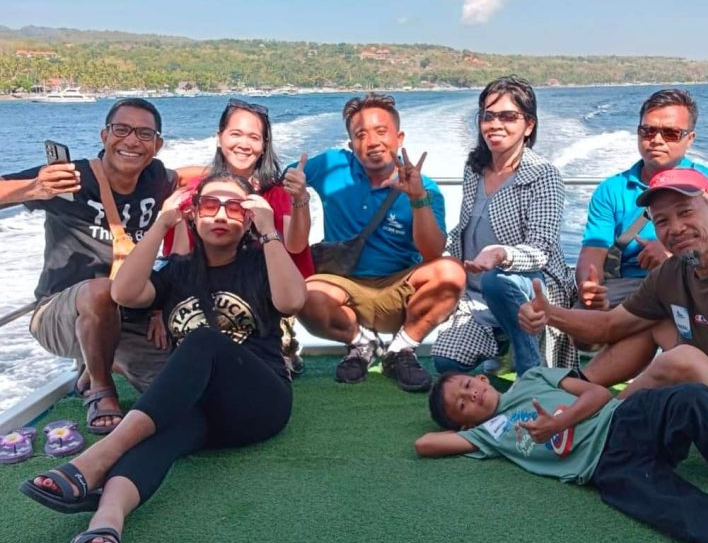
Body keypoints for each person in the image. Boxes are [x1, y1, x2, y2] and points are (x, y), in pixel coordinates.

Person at [19, 173, 306, 543]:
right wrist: (161, 223)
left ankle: (98, 457)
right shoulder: (176, 272)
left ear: (248, 218)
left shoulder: (262, 263)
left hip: (260, 404)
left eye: (235, 208)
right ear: (193, 214)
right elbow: (123, 294)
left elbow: (292, 301)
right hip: (202, 411)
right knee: (157, 437)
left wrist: (269, 230)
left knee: (203, 342)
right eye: (210, 205)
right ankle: (104, 527)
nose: (221, 215)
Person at [415, 368, 708, 543]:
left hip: (624, 418)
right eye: (462, 404)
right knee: (686, 513)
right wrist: (464, 430)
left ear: (480, 377)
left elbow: (597, 393)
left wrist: (560, 423)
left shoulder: (533, 377)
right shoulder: (485, 435)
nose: (472, 395)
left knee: (694, 398)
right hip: (609, 469)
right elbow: (424, 444)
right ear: (464, 424)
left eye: (467, 385)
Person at [519, 168, 708, 457]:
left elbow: (691, 369)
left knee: (682, 363)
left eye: (685, 212)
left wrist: (698, 374)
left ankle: (601, 426)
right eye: (662, 221)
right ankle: (574, 394)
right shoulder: (671, 274)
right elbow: (610, 325)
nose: (675, 228)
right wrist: (550, 314)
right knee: (652, 323)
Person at [0, 98, 177, 433]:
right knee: (101, 291)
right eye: (121, 129)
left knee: (176, 393)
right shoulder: (69, 179)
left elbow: (191, 176)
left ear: (157, 145)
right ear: (104, 136)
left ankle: (102, 361)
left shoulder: (157, 178)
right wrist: (33, 188)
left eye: (144, 134)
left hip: (127, 316)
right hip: (60, 314)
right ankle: (100, 389)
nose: (131, 141)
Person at [297, 93, 465, 391]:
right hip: (343, 286)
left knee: (451, 271)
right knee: (303, 294)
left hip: (398, 290)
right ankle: (361, 344)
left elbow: (432, 253)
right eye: (361, 135)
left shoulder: (425, 187)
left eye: (381, 132)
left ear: (399, 138)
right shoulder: (331, 165)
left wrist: (417, 199)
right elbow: (280, 178)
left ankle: (401, 349)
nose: (372, 142)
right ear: (351, 145)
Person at [431, 76, 576, 377]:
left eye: (508, 116)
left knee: (497, 281)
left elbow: (541, 250)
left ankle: (530, 374)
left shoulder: (543, 175)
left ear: (529, 125)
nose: (495, 125)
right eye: (488, 116)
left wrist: (501, 254)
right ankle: (502, 340)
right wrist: (442, 261)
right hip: (476, 292)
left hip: (531, 285)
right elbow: (464, 228)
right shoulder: (474, 169)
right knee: (447, 362)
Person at [171, 97, 312, 374]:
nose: (244, 144)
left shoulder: (277, 192)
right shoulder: (198, 192)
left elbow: (296, 246)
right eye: (235, 134)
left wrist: (299, 199)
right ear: (219, 137)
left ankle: (280, 340)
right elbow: (179, 259)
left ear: (264, 146)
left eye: (254, 137)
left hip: (264, 293)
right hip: (206, 294)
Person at [576, 88, 708, 312]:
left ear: (690, 139)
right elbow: (594, 249)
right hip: (629, 285)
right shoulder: (611, 190)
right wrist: (589, 286)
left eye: (671, 133)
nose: (656, 140)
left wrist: (672, 257)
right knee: (580, 321)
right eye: (648, 131)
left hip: (692, 281)